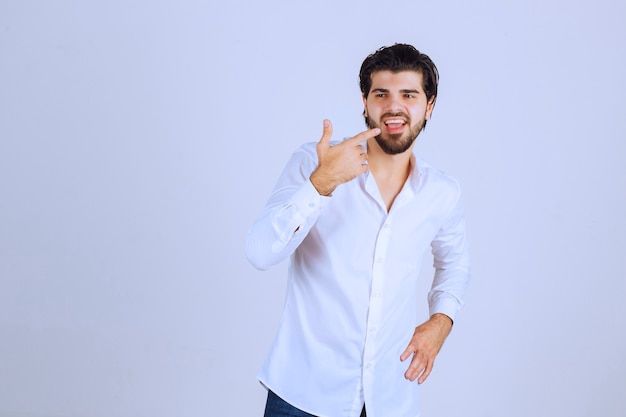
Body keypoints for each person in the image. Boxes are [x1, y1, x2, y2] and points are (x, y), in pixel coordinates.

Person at [246, 43, 471, 417]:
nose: (393, 107)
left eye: (409, 95)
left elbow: (456, 264)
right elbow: (259, 252)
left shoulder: (442, 192)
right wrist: (320, 185)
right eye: (381, 94)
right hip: (303, 394)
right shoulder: (313, 163)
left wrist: (440, 322)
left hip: (390, 398)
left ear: (429, 105)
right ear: (364, 102)